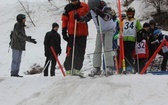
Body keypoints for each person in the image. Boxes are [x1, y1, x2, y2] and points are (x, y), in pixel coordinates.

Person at [79, 0, 116, 76]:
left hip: (109, 29)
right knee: (97, 48)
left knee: (107, 48)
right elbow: (85, 19)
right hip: (100, 31)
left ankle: (110, 67)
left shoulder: (106, 8)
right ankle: (96, 67)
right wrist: (79, 19)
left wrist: (100, 13)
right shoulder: (92, 11)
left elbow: (108, 17)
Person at [61, 0, 89, 76]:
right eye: (73, 1)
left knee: (81, 51)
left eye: (75, 0)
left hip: (83, 32)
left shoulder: (84, 6)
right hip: (72, 33)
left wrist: (81, 18)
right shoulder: (68, 7)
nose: (74, 2)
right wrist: (64, 31)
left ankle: (77, 68)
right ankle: (68, 68)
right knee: (70, 50)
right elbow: (64, 20)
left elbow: (89, 16)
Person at [122, 7, 142, 73]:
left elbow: (140, 29)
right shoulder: (124, 21)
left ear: (133, 13)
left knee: (129, 54)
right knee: (124, 54)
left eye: (131, 13)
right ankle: (124, 67)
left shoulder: (136, 21)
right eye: (128, 13)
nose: (130, 14)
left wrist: (140, 34)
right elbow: (120, 28)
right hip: (124, 39)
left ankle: (129, 67)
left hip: (132, 39)